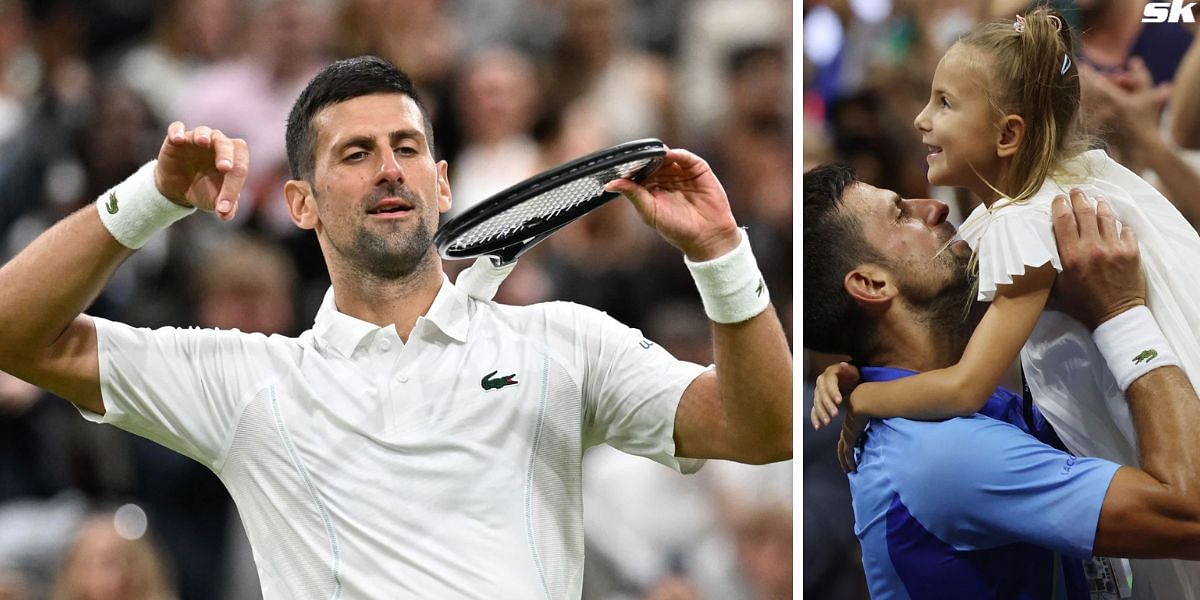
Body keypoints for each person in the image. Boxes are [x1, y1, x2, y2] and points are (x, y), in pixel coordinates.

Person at [0, 55, 791, 598]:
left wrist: (721, 254)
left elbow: (762, 430)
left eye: (406, 147)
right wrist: (154, 196)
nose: (388, 167)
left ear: (441, 186)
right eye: (354, 153)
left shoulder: (562, 342)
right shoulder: (245, 382)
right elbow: (15, 332)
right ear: (301, 204)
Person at [803, 163, 1200, 598]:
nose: (935, 207)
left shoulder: (927, 404)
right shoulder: (940, 455)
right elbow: (1190, 516)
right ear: (871, 283)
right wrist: (1121, 313)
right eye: (901, 214)